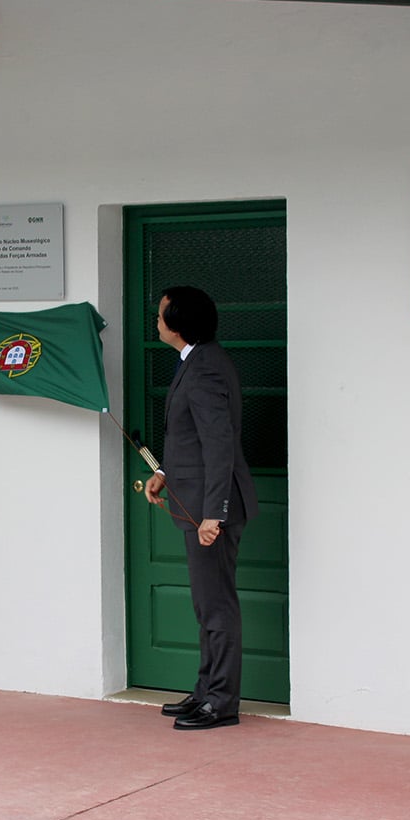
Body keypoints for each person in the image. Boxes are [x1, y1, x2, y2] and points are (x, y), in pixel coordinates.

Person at [145, 287, 259, 730]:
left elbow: (218, 444)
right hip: (195, 503)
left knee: (216, 606)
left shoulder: (206, 366)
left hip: (210, 511)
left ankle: (221, 703)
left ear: (179, 323)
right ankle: (206, 691)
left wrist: (215, 513)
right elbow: (190, 437)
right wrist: (164, 472)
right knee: (205, 604)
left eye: (160, 315)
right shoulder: (195, 360)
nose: (156, 322)